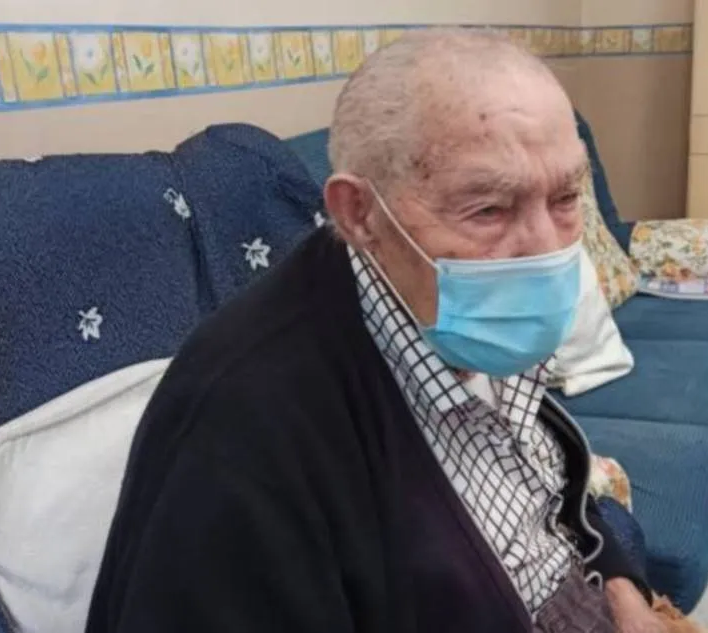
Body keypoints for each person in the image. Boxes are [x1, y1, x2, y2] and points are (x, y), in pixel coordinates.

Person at [85, 28, 665, 633]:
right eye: (489, 208)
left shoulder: (461, 310)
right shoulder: (243, 432)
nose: (545, 251)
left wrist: (620, 588)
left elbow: (546, 496)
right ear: (360, 213)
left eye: (566, 198)